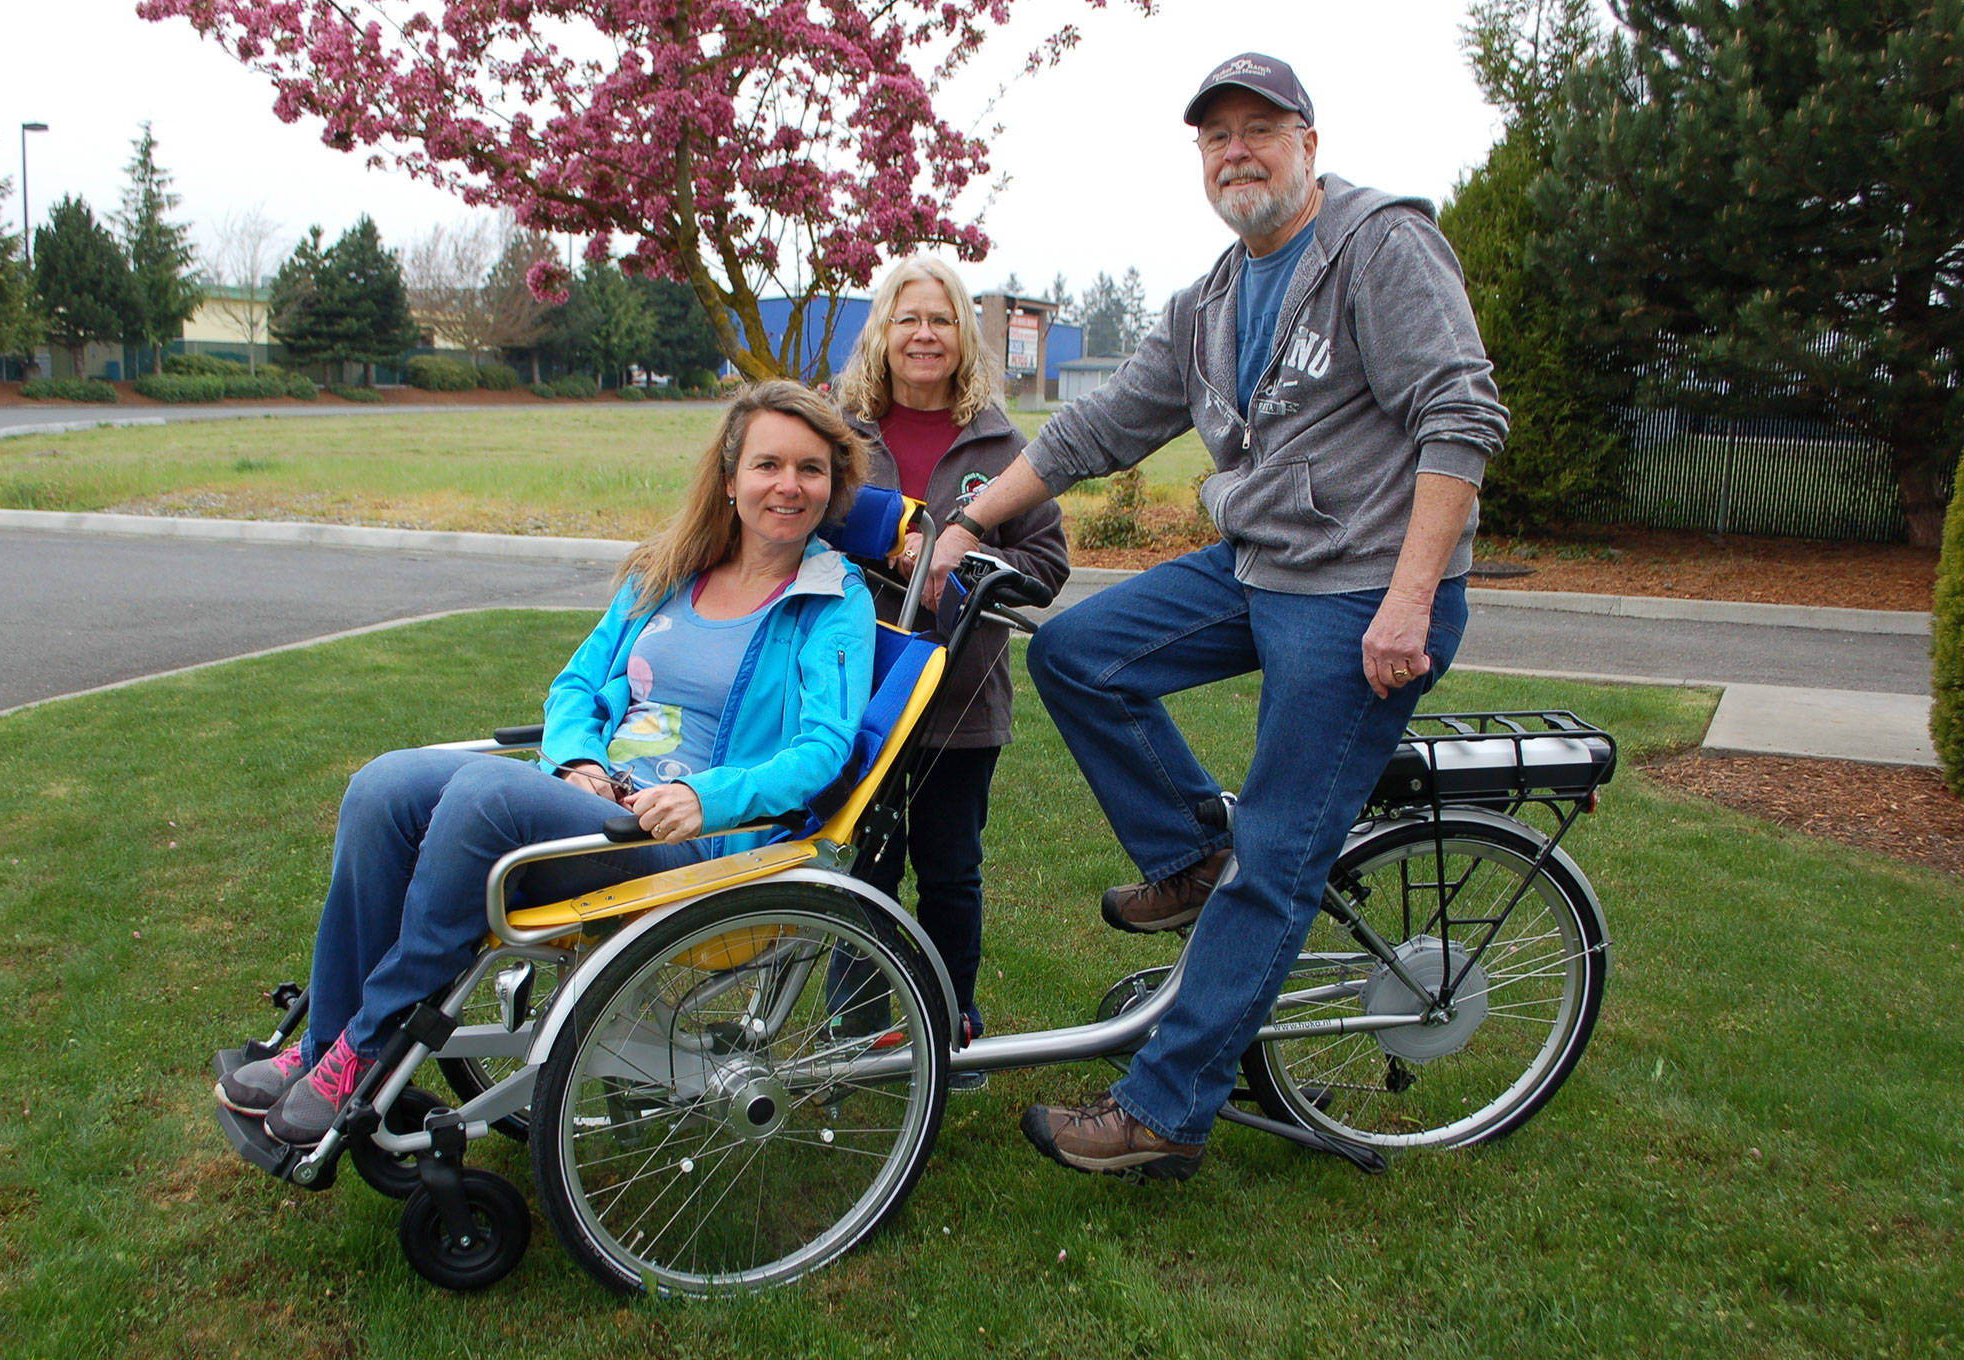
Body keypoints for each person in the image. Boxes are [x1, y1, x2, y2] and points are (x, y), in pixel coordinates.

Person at [923, 53, 1509, 1177]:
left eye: (1258, 127)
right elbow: (1103, 426)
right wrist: (969, 522)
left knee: (1278, 855)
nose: (1235, 149)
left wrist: (1411, 599)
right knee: (1082, 652)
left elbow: (1459, 417)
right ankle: (1191, 850)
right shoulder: (1215, 292)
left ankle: (1166, 1108)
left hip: (1361, 597)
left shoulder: (1380, 246)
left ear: (1307, 141)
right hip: (1260, 568)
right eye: (1214, 135)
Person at [215, 380, 878, 1145]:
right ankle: (322, 1042)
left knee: (486, 796)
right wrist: (575, 761)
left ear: (832, 488)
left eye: (811, 469)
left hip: (688, 845)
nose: (788, 486)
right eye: (768, 465)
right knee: (384, 785)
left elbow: (824, 751)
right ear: (730, 478)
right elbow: (576, 686)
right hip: (592, 803)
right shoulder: (667, 570)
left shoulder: (832, 601)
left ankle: (364, 1048)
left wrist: (707, 796)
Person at [832, 258, 1070, 1085]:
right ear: (882, 335)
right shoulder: (839, 436)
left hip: (959, 699)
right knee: (859, 862)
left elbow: (1047, 564)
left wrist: (958, 559)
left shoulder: (1005, 448)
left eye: (940, 319)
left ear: (963, 336)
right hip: (849, 695)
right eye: (907, 319)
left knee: (949, 870)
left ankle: (947, 1026)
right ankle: (850, 1028)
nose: (924, 335)